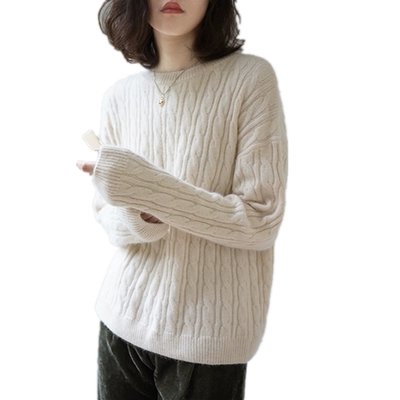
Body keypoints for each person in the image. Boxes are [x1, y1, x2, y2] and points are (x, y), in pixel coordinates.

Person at [76, 0, 288, 398]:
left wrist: (150, 191)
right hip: (121, 319)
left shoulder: (249, 78)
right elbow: (105, 213)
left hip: (209, 337)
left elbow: (260, 220)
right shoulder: (118, 97)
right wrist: (141, 216)